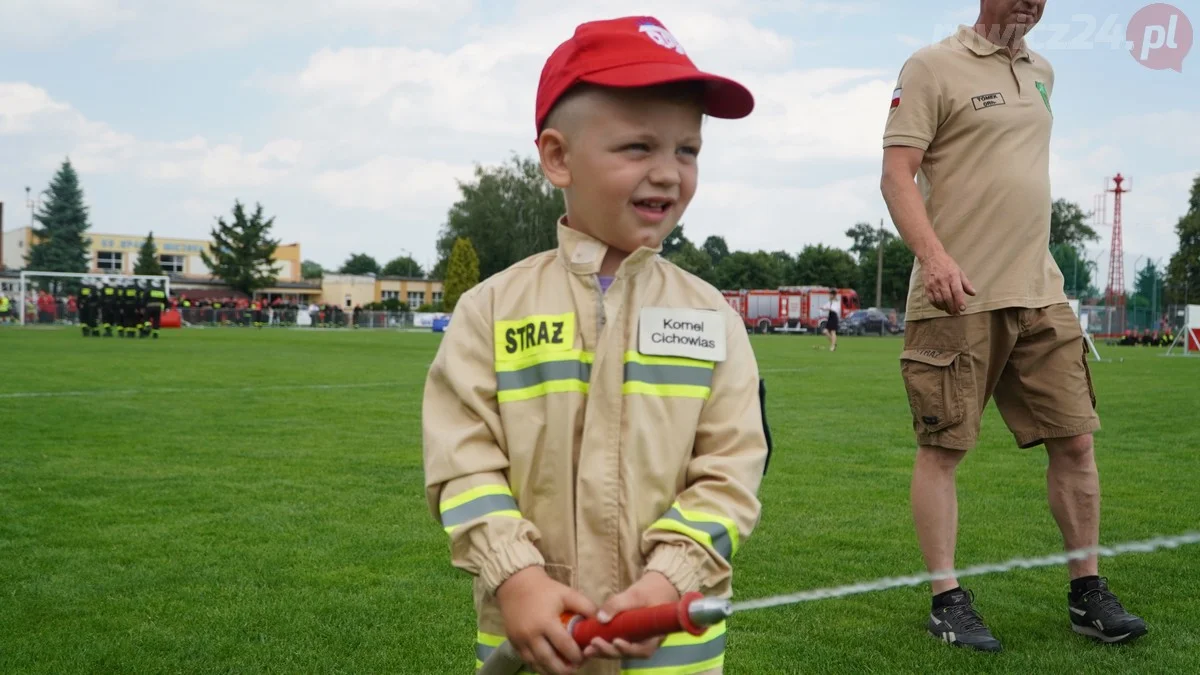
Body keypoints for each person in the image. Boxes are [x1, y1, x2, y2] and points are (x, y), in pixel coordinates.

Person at [422, 16, 770, 675]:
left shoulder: (712, 317)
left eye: (688, 150)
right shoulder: (490, 311)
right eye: (639, 147)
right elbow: (462, 465)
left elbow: (732, 472)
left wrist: (672, 577)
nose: (669, 173)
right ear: (558, 157)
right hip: (533, 651)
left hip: (671, 655)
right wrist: (515, 575)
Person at [880, 0, 1145, 652]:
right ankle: (947, 599)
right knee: (944, 450)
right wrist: (934, 257)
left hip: (1041, 293)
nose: (1031, 2)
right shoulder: (930, 66)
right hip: (956, 296)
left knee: (1077, 442)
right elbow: (896, 177)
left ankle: (1088, 591)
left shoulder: (1044, 70)